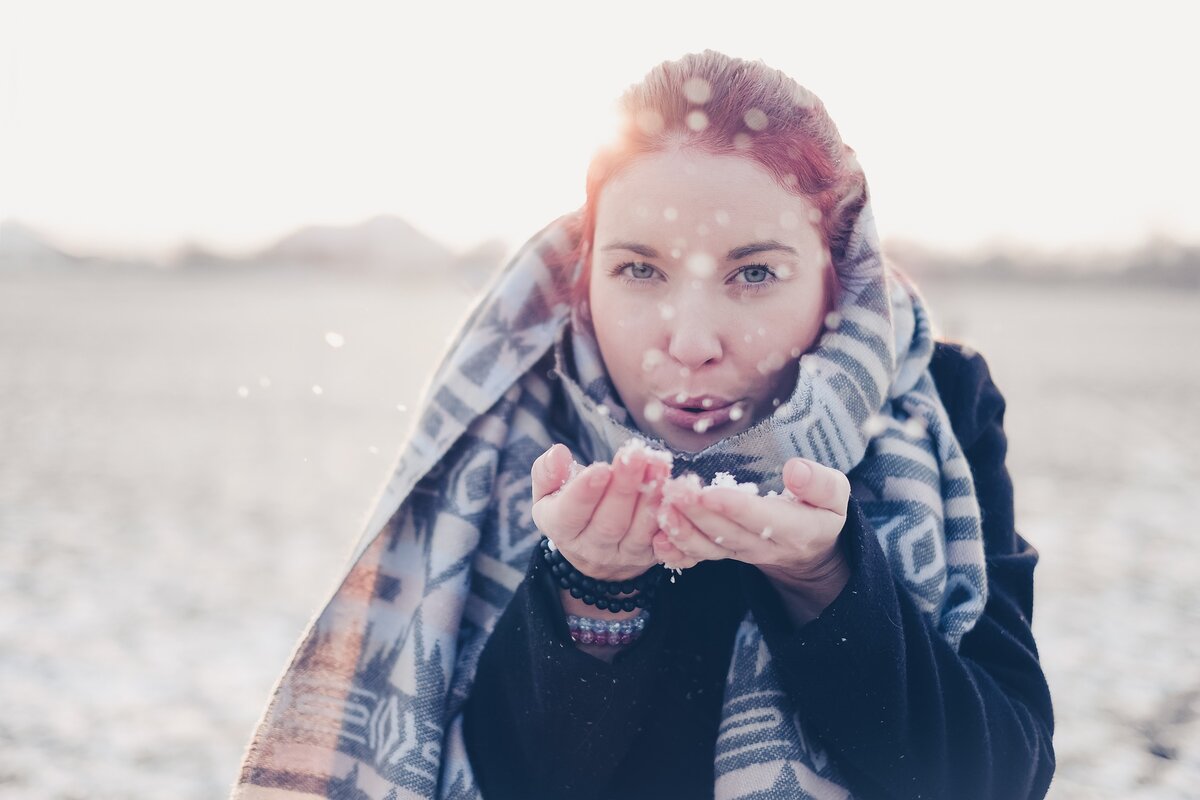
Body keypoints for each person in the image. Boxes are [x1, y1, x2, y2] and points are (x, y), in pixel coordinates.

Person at [232, 51, 1055, 800]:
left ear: (840, 276)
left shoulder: (938, 405)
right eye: (639, 270)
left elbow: (1000, 774)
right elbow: (499, 779)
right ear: (586, 274)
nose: (690, 343)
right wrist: (591, 593)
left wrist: (825, 579)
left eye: (755, 273)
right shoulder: (516, 413)